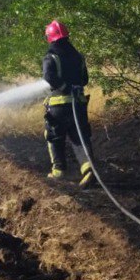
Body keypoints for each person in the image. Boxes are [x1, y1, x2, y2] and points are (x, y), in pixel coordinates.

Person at [42, 19, 95, 187]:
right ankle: (88, 169)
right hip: (78, 104)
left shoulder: (51, 56)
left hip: (58, 105)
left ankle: (58, 170)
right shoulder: (78, 56)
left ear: (50, 37)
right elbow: (84, 79)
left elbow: (48, 76)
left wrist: (63, 87)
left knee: (54, 136)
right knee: (79, 136)